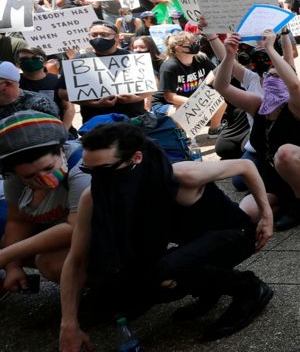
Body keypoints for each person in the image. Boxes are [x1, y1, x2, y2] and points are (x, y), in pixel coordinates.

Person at [58, 122, 274, 348]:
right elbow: (76, 260)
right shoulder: (93, 197)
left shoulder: (180, 176)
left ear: (136, 158)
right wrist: (69, 325)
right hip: (195, 245)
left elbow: (245, 166)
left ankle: (249, 288)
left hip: (235, 235)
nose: (98, 179)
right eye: (89, 170)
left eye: (106, 170)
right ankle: (210, 287)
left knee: (165, 271)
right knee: (136, 280)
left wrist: (266, 217)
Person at [214, 31, 300, 231]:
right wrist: (229, 55)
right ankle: (290, 200)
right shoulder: (258, 105)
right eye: (269, 76)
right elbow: (222, 87)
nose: (272, 79)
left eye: (279, 77)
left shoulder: (298, 108)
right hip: (276, 174)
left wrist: (270, 47)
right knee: (248, 213)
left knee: (285, 152)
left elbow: (294, 85)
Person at [0, 112, 88, 294]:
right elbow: (17, 221)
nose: (43, 178)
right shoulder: (14, 178)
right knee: (8, 242)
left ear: (61, 151)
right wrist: (12, 267)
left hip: (100, 232)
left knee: (49, 263)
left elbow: (76, 228)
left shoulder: (81, 165)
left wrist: (7, 255)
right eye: (30, 176)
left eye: (48, 168)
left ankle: (111, 289)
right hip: (67, 228)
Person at [77, 21, 149, 122]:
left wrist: (137, 98)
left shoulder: (133, 57)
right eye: (94, 35)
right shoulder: (78, 61)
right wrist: (94, 104)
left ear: (117, 37)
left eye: (104, 35)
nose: (98, 38)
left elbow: (153, 83)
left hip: (134, 119)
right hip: (95, 122)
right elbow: (63, 92)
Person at [15, 45, 73, 129]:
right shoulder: (14, 83)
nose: (30, 61)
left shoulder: (57, 80)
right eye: (24, 59)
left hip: (56, 128)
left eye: (35, 58)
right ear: (17, 64)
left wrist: (63, 131)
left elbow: (69, 109)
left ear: (45, 62)